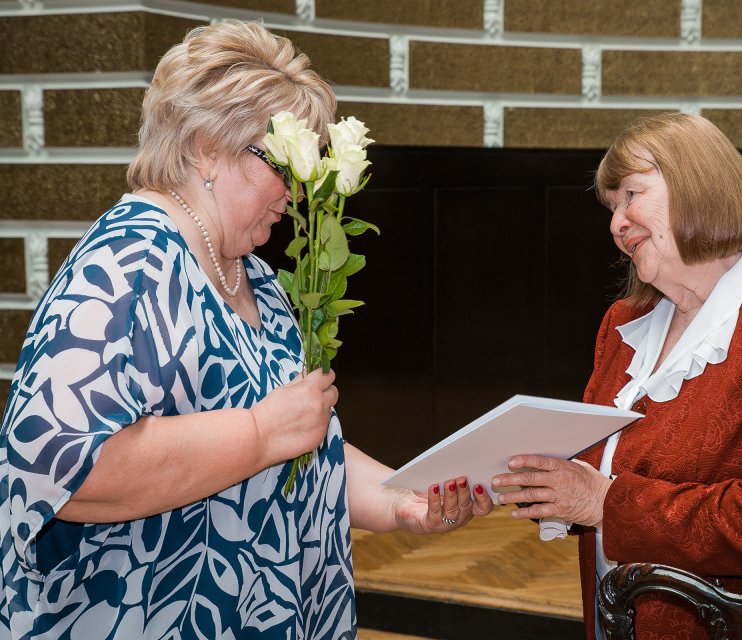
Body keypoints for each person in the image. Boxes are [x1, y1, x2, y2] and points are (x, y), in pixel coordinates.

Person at [0, 20, 492, 640]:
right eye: (281, 164)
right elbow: (61, 470)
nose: (297, 191)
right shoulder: (129, 264)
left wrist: (401, 506)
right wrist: (259, 431)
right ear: (209, 145)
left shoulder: (254, 275)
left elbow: (306, 449)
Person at [492, 113, 742, 640]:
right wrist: (528, 483)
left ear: (696, 185)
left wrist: (602, 502)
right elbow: (608, 471)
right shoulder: (624, 325)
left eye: (631, 195)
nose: (616, 224)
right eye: (612, 207)